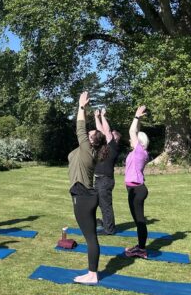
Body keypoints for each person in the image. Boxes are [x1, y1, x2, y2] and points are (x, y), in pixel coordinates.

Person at [68, 92, 108, 284]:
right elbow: (89, 134)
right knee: (91, 236)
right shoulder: (87, 150)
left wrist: (81, 107)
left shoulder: (87, 149)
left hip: (83, 197)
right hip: (87, 195)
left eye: (90, 134)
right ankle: (92, 272)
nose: (87, 133)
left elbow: (80, 128)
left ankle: (93, 274)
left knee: (90, 237)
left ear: (91, 141)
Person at [123, 105, 151, 259]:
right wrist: (138, 120)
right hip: (135, 189)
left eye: (133, 139)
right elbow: (136, 132)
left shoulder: (139, 151)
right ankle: (140, 247)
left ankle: (141, 249)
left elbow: (132, 132)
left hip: (137, 190)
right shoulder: (139, 151)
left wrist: (136, 116)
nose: (130, 140)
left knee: (139, 221)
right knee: (138, 220)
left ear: (139, 142)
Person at [93, 108, 122, 235]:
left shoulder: (114, 147)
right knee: (101, 204)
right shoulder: (105, 145)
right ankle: (106, 224)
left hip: (105, 180)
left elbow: (107, 131)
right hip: (100, 179)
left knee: (105, 205)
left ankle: (109, 229)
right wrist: (96, 117)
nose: (110, 133)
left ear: (116, 139)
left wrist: (103, 116)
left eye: (113, 133)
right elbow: (102, 131)